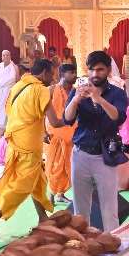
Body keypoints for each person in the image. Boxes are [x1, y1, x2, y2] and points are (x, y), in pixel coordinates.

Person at [0, 59, 58, 237]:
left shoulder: (18, 86)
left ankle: (42, 217)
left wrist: (41, 131)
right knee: (24, 183)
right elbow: (55, 121)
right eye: (51, 74)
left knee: (37, 180)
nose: (53, 78)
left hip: (15, 140)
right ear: (44, 72)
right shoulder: (41, 90)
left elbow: (18, 112)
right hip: (29, 144)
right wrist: (74, 114)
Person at [64, 51, 129, 231]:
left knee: (110, 210)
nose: (94, 74)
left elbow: (118, 117)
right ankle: (82, 244)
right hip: (81, 155)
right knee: (80, 210)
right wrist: (76, 99)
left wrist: (98, 99)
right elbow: (67, 118)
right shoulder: (78, 91)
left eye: (99, 70)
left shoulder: (117, 93)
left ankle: (113, 245)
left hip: (105, 156)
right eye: (91, 70)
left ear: (108, 70)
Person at [46, 64, 79, 203]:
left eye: (75, 72)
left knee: (68, 166)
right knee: (56, 165)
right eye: (71, 72)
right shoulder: (51, 90)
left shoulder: (76, 91)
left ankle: (60, 194)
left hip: (72, 133)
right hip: (55, 133)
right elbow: (41, 112)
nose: (74, 75)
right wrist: (43, 132)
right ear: (62, 74)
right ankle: (51, 194)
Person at [0, 49, 20, 129]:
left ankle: (9, 127)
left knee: (9, 108)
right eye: (4, 55)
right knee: (1, 108)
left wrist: (18, 92)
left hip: (10, 91)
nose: (5, 57)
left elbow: (18, 81)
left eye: (7, 55)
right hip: (0, 91)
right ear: (1, 57)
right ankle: (4, 127)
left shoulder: (14, 67)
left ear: (10, 56)